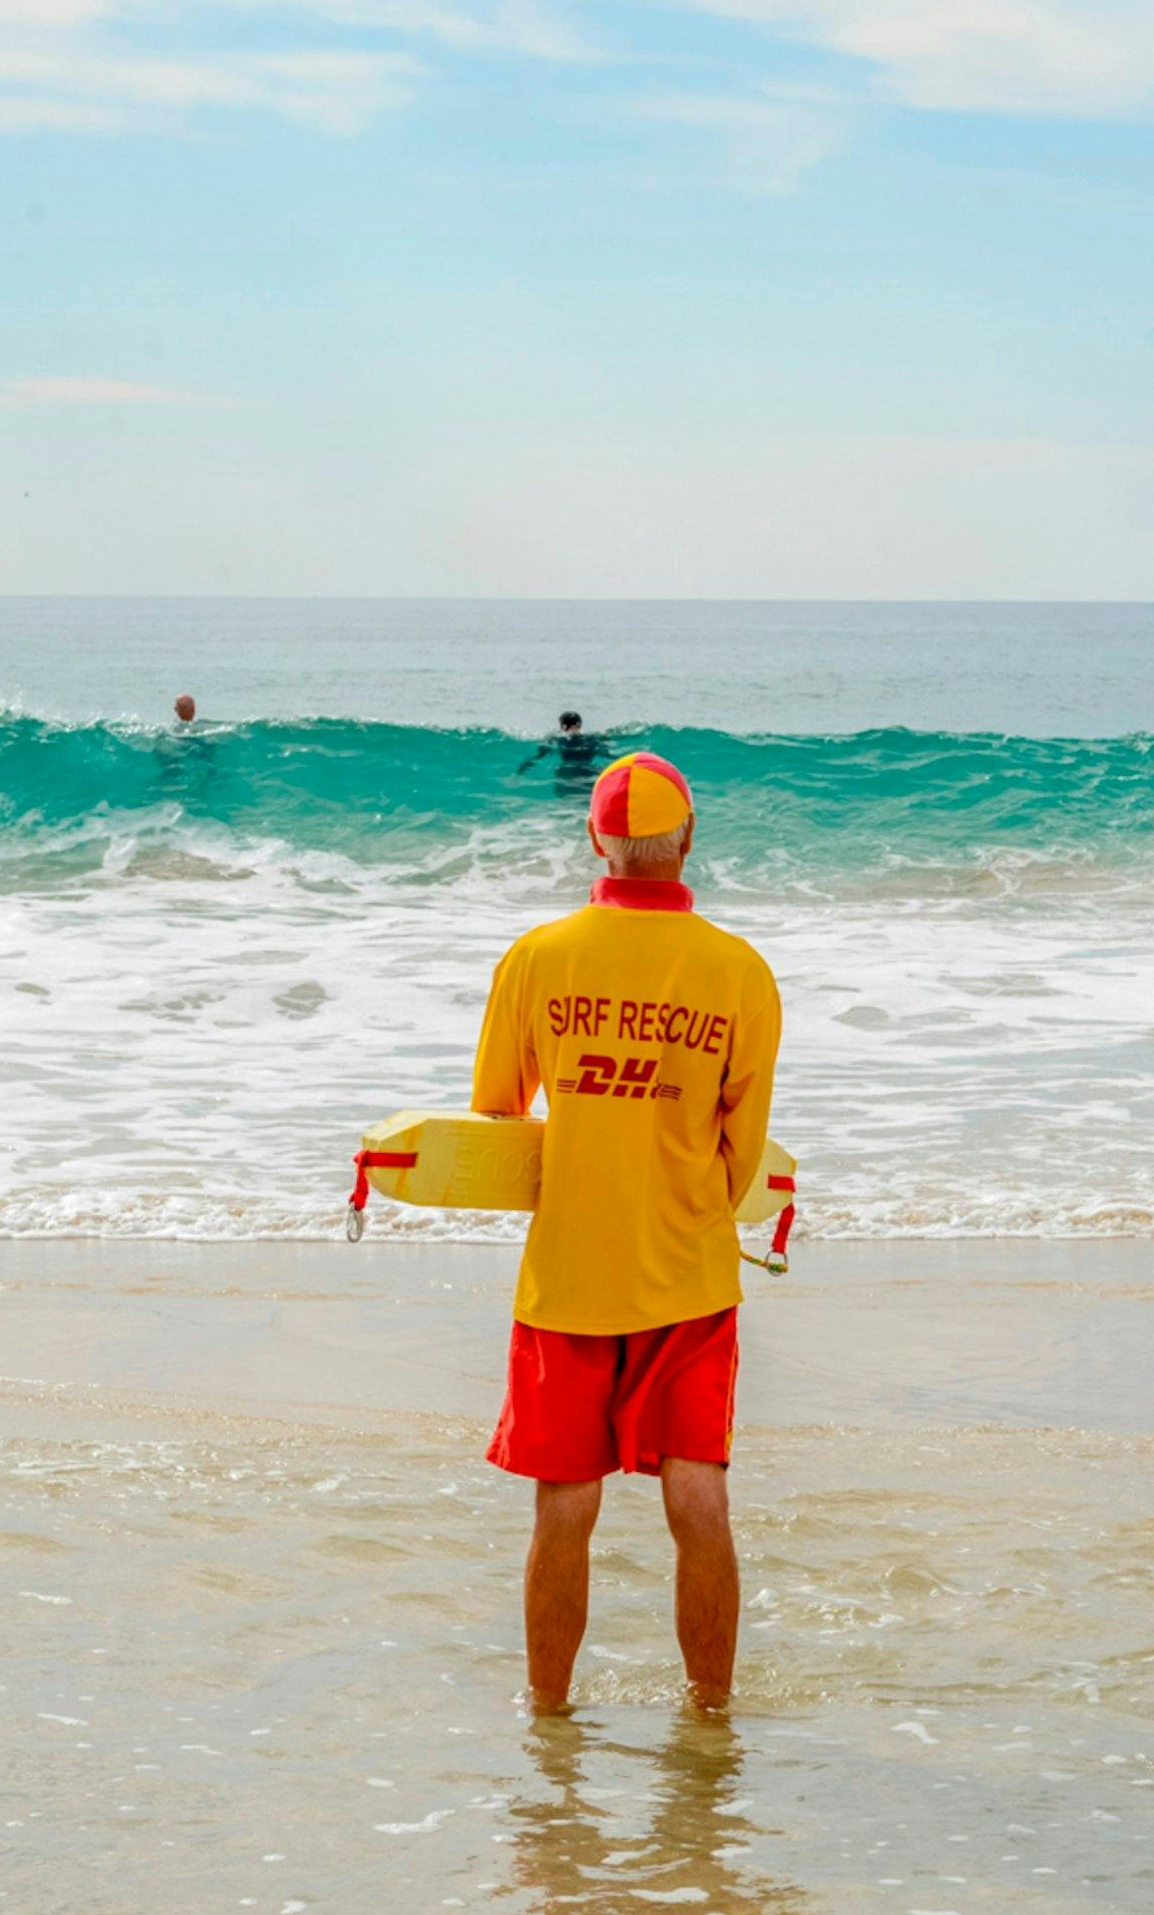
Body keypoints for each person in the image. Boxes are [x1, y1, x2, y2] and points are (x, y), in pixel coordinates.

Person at [470, 750, 783, 1715]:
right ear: (688, 840)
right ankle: (710, 1713)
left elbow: (497, 1112)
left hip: (567, 1277)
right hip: (688, 1275)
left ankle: (548, 1715)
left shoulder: (538, 955)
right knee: (698, 1497)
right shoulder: (738, 970)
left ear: (593, 839)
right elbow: (742, 1155)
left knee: (565, 1504)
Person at [519, 710, 605, 783]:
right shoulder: (593, 738)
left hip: (568, 773)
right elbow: (606, 754)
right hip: (591, 772)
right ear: (579, 725)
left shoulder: (557, 739)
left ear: (563, 726)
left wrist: (521, 771)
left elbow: (537, 757)